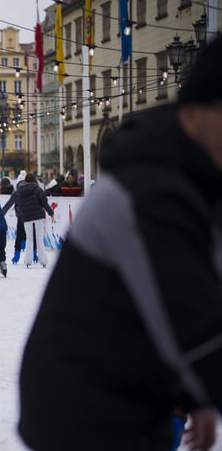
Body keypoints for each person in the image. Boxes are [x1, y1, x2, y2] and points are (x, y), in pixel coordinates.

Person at [18, 37, 222, 451]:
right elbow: (196, 327)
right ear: (203, 107)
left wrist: (195, 396)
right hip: (82, 411)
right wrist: (202, 385)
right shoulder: (150, 189)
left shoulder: (189, 180)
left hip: (134, 394)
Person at [1, 173, 55, 268]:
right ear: (34, 180)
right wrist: (51, 213)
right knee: (39, 238)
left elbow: (9, 203)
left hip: (26, 217)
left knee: (29, 239)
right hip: (38, 216)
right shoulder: (37, 189)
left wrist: (1, 214)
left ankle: (27, 261)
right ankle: (43, 261)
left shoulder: (19, 191)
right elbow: (44, 203)